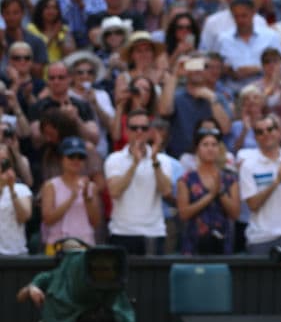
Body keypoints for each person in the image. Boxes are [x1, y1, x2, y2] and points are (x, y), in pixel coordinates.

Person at [104, 110, 174, 256]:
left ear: (150, 131)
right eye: (134, 128)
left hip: (153, 232)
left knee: (153, 279)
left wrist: (154, 161)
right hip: (122, 232)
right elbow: (115, 191)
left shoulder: (162, 160)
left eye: (144, 128)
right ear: (126, 131)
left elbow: (166, 191)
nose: (139, 132)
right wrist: (134, 164)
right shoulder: (114, 159)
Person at [238, 114, 281, 255]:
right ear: (255, 137)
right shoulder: (248, 165)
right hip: (261, 239)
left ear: (279, 132)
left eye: (270, 129)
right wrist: (276, 181)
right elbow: (253, 204)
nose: (266, 134)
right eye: (260, 132)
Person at [176, 127, 241, 255]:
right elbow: (183, 214)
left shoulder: (230, 179)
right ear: (197, 149)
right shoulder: (186, 179)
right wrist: (210, 195)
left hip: (222, 241)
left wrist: (220, 192)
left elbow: (235, 214)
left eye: (214, 145)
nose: (210, 148)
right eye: (205, 145)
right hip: (194, 243)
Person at [39, 137, 102, 251]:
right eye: (71, 156)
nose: (76, 160)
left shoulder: (91, 186)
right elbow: (48, 219)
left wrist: (87, 199)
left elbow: (95, 222)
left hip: (85, 244)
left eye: (80, 157)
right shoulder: (51, 185)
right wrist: (71, 198)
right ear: (61, 159)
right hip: (57, 245)